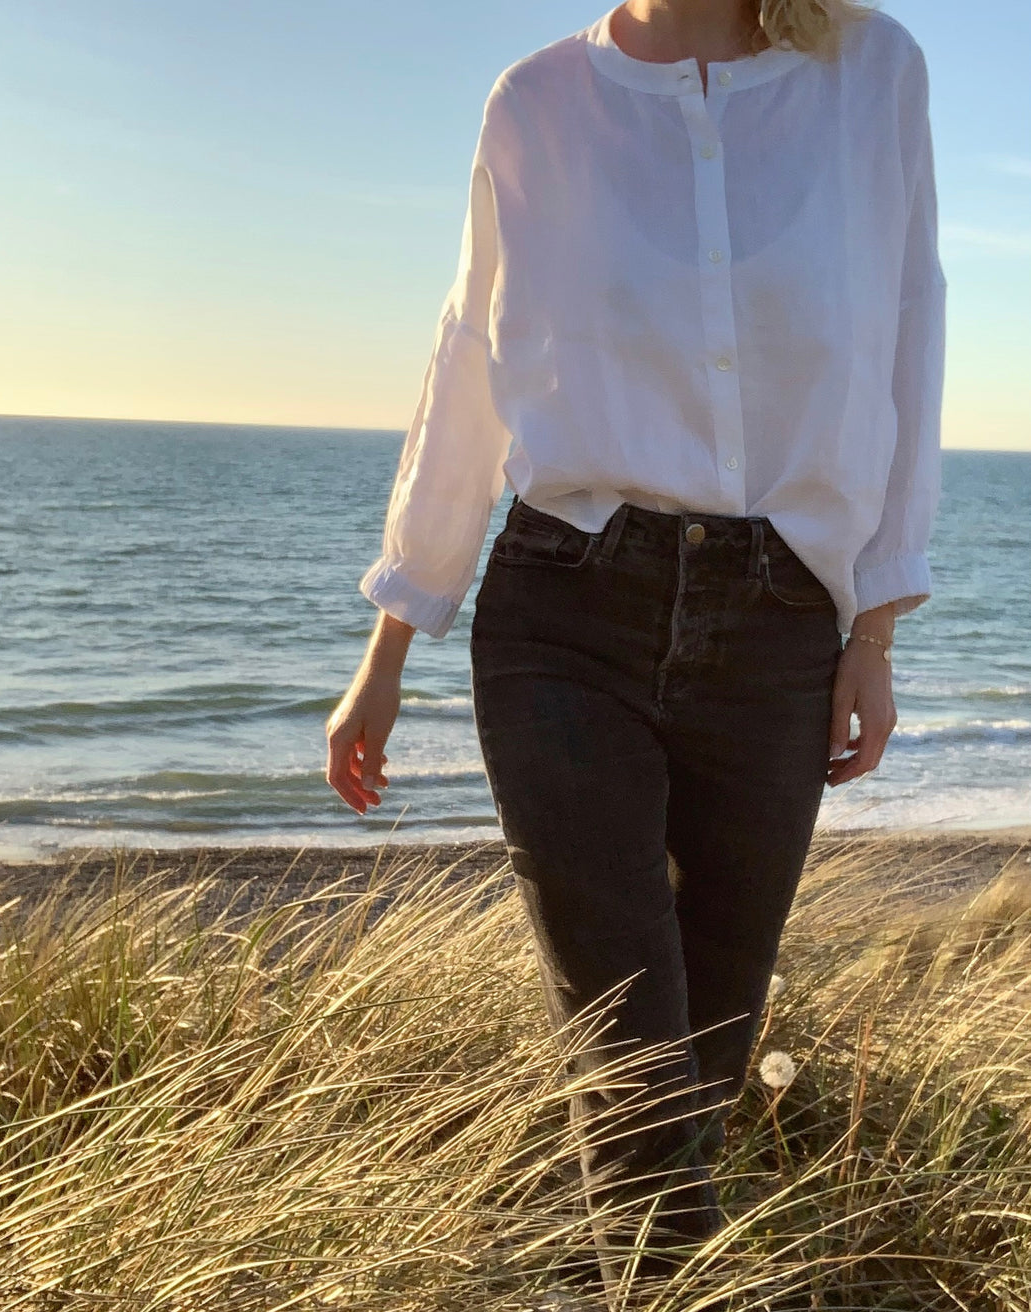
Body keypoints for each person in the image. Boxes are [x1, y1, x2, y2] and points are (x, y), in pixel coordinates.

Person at [326, 0, 946, 1305]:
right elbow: (470, 364)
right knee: (631, 1063)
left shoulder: (869, 73)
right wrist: (390, 643)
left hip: (778, 626)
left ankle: (570, 1274)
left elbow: (907, 336)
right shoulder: (535, 104)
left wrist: (872, 629)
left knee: (705, 1056)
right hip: (565, 616)